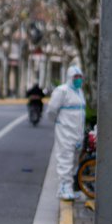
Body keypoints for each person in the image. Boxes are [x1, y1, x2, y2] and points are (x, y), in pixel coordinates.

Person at [47, 65, 86, 200]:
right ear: (70, 77)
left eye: (80, 77)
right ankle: (64, 188)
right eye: (76, 77)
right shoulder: (62, 91)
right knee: (65, 159)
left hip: (77, 133)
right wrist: (58, 123)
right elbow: (51, 110)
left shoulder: (79, 92)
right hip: (65, 131)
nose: (78, 79)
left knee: (74, 160)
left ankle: (68, 187)